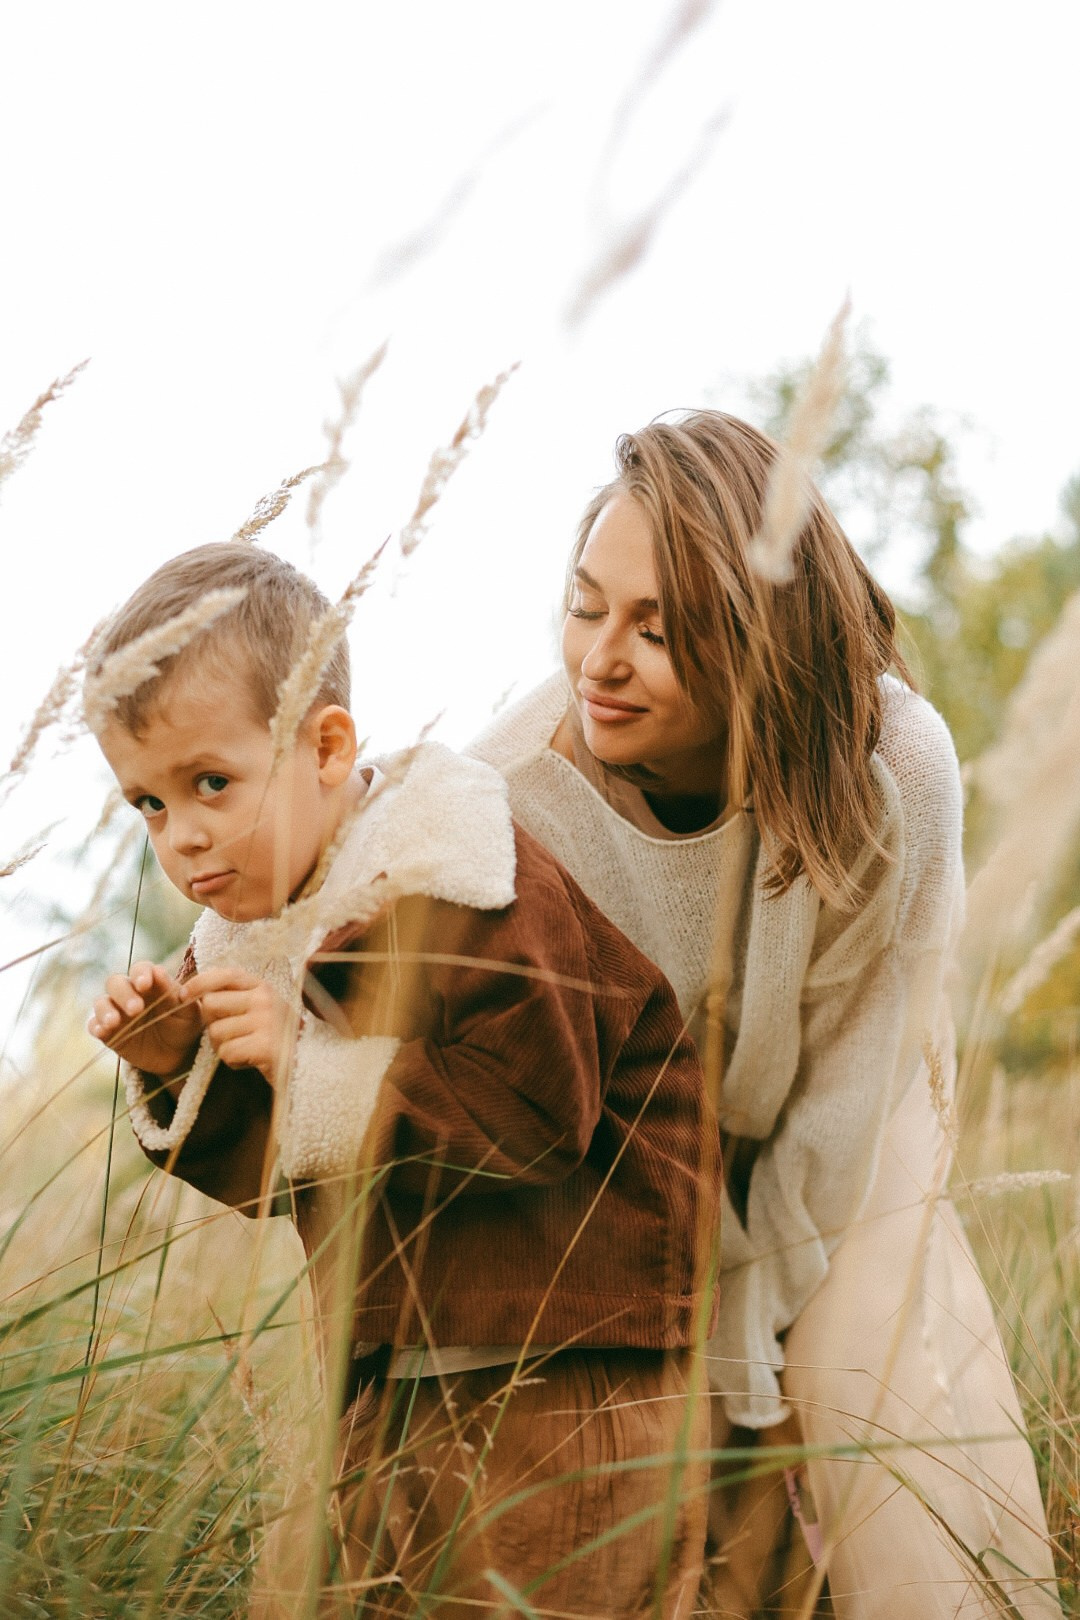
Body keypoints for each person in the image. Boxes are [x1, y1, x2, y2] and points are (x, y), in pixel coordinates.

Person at [471, 411, 1062, 1619]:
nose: (601, 661)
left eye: (660, 629)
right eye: (588, 609)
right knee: (677, 1460)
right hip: (653, 1147)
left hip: (854, 1098)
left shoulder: (893, 764)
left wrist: (753, 1307)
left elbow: (854, 1085)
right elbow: (352, 887)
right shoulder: (518, 788)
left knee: (858, 1380)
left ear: (755, 638)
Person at [85, 542, 721, 1619]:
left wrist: (305, 1059)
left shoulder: (458, 875)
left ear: (327, 746)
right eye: (147, 804)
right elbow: (286, 1173)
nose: (183, 836)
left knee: (549, 1596)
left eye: (211, 783)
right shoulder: (246, 941)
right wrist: (181, 1064)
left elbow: (537, 1116)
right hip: (394, 1372)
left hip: (570, 1361)